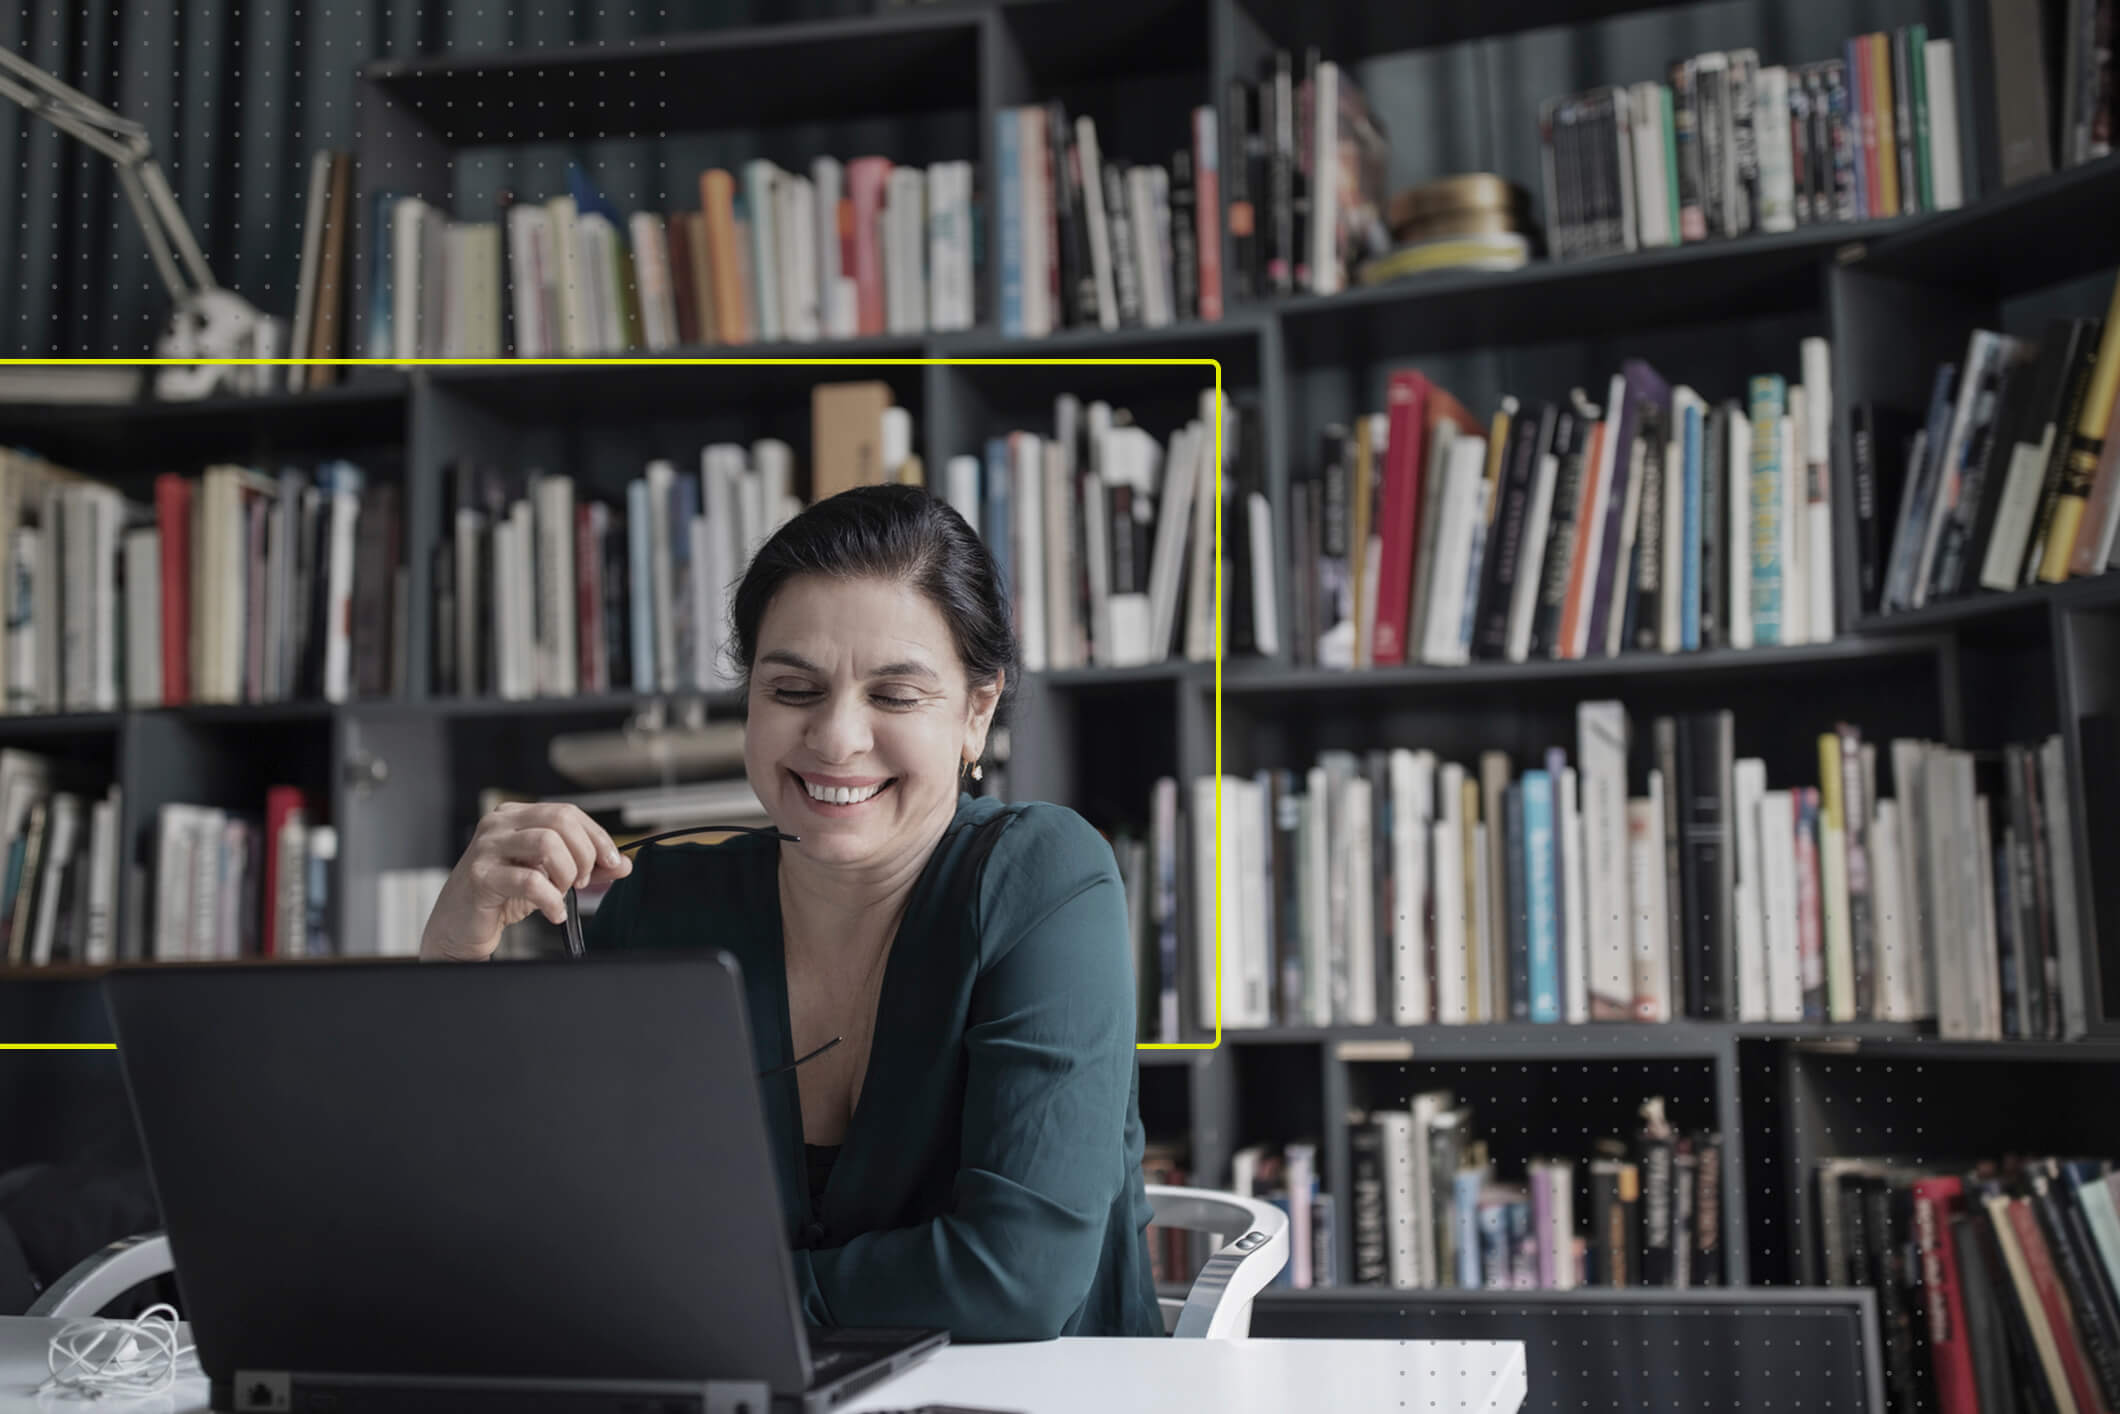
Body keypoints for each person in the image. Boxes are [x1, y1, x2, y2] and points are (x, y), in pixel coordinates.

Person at [419, 483, 1165, 1343]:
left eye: (894, 696)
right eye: (793, 689)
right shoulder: (657, 904)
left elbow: (1015, 1277)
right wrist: (452, 955)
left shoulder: (1046, 877)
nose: (836, 737)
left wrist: (702, 1303)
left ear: (977, 711)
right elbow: (507, 1228)